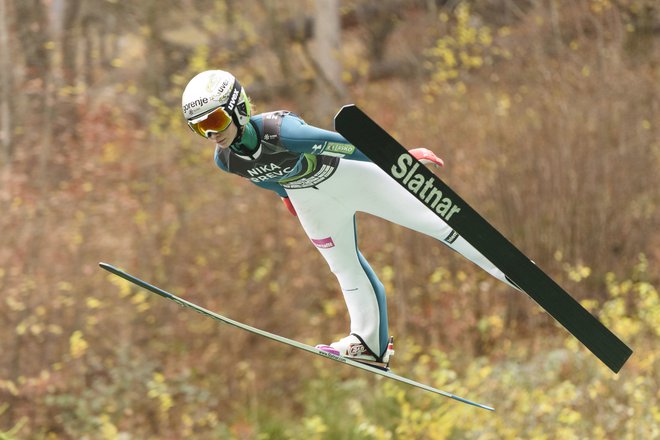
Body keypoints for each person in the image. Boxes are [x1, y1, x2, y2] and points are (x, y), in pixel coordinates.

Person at [181, 70, 516, 368]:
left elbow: (345, 145)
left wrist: (402, 159)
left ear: (238, 108)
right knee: (343, 267)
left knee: (436, 223)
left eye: (215, 122)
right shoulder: (226, 160)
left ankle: (509, 268)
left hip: (348, 174)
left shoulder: (283, 132)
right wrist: (285, 196)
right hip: (310, 199)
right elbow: (261, 176)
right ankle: (370, 343)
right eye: (200, 128)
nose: (211, 134)